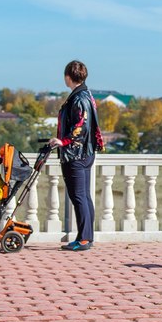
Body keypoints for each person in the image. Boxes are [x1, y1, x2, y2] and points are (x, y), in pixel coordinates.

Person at [48, 59, 103, 251]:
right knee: (83, 196)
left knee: (79, 196)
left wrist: (63, 141)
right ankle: (86, 236)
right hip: (85, 153)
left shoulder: (79, 98)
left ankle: (85, 239)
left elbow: (81, 126)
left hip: (76, 154)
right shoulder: (84, 95)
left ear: (67, 77)